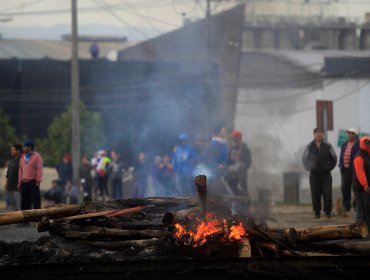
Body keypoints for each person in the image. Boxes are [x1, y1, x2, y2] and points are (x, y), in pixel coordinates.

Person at [303, 128, 337, 219]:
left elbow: (334, 158)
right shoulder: (309, 146)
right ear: (314, 134)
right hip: (314, 175)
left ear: (323, 135)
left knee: (327, 193)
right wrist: (309, 168)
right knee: (315, 193)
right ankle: (317, 212)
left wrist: (329, 168)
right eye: (317, 133)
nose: (319, 135)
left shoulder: (328, 146)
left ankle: (328, 212)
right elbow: (304, 159)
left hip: (326, 175)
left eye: (321, 133)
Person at [18, 140, 43, 210]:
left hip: (33, 182)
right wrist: (19, 182)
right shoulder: (22, 157)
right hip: (24, 182)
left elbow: (39, 169)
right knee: (24, 202)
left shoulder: (37, 157)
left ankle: (37, 218)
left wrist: (38, 180)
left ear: (29, 147)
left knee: (35, 201)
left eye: (24, 147)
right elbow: (20, 170)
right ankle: (25, 219)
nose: (23, 148)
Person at [338, 128, 359, 212]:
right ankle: (346, 205)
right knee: (344, 188)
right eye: (348, 133)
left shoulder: (358, 144)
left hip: (355, 170)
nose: (349, 135)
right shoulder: (344, 144)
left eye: (351, 133)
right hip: (345, 169)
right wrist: (340, 165)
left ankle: (356, 205)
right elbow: (341, 155)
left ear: (355, 135)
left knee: (355, 188)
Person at [226, 130, 252, 196]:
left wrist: (242, 166)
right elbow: (228, 161)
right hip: (232, 173)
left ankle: (245, 204)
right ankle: (236, 203)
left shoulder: (245, 149)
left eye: (234, 138)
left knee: (243, 188)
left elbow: (249, 163)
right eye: (233, 138)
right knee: (232, 188)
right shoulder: (232, 148)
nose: (233, 139)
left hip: (241, 174)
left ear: (238, 138)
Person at [205, 125, 228, 194]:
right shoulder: (214, 144)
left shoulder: (223, 144)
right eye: (223, 132)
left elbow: (224, 157)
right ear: (218, 133)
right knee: (217, 191)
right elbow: (210, 158)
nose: (225, 133)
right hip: (216, 172)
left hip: (223, 170)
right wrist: (217, 165)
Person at [353, 136, 370, 225]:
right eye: (366, 143)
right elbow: (360, 172)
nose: (368, 145)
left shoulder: (368, 155)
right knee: (361, 211)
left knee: (368, 210)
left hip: (367, 188)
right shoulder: (359, 157)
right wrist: (365, 185)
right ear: (362, 144)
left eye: (369, 143)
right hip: (360, 188)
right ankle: (358, 231)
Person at [5, 144, 22, 210]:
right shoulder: (12, 161)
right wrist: (7, 182)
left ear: (18, 151)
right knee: (11, 207)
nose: (11, 151)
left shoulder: (21, 160)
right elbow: (8, 173)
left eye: (13, 150)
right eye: (11, 150)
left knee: (19, 206)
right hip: (10, 187)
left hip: (17, 188)